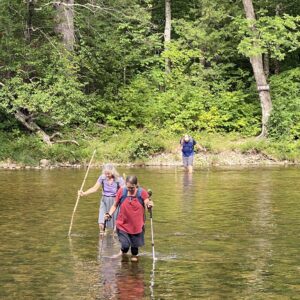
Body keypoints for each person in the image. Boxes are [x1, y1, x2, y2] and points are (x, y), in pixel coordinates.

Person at [104, 175, 153, 262]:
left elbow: (147, 203)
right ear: (125, 184)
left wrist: (149, 205)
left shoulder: (142, 192)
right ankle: (122, 255)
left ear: (136, 185)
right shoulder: (121, 191)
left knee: (134, 252)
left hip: (137, 226)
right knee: (125, 245)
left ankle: (132, 269)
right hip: (123, 224)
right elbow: (115, 205)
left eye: (132, 188)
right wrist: (109, 214)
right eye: (128, 187)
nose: (130, 189)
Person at [78, 163, 124, 235]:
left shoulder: (118, 179)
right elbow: (94, 188)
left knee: (116, 226)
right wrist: (84, 193)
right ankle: (102, 238)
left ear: (113, 172)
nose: (107, 175)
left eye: (108, 174)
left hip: (115, 202)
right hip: (104, 201)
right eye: (106, 173)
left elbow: (124, 191)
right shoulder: (102, 178)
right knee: (101, 223)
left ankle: (115, 241)